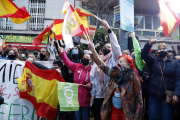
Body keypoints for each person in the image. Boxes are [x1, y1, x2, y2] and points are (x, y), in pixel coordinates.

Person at [89, 42, 143, 120]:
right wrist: (93, 51)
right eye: (118, 61)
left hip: (127, 113)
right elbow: (101, 65)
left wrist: (137, 117)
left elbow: (139, 100)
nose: (118, 63)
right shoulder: (114, 73)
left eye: (121, 62)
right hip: (114, 112)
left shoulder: (134, 78)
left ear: (129, 65)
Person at [90, 20, 121, 120]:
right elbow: (93, 78)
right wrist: (93, 94)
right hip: (99, 95)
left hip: (110, 94)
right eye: (105, 47)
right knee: (98, 116)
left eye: (109, 47)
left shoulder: (115, 58)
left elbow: (115, 45)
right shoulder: (98, 61)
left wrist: (109, 29)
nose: (107, 48)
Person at [141, 39, 180, 120]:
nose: (162, 50)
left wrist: (176, 93)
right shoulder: (153, 61)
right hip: (153, 96)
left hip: (167, 96)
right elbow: (144, 55)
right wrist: (149, 44)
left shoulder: (175, 63)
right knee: (153, 117)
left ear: (167, 50)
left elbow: (178, 79)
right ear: (158, 51)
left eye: (164, 48)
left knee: (167, 117)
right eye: (160, 49)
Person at [58, 46, 92, 120]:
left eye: (87, 57)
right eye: (83, 57)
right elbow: (67, 62)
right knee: (77, 118)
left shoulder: (93, 71)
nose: (85, 58)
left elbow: (95, 83)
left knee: (85, 118)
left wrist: (91, 85)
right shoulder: (77, 66)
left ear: (90, 61)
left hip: (86, 99)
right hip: (75, 99)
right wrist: (62, 52)